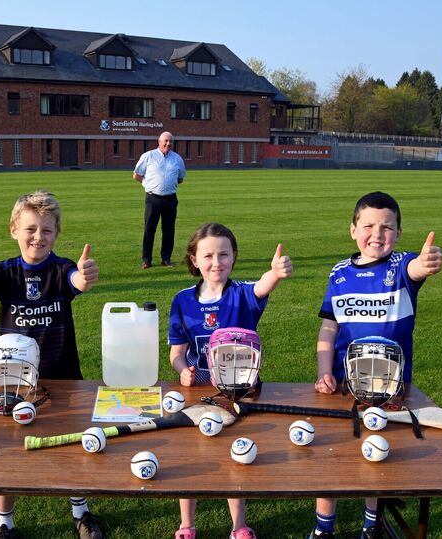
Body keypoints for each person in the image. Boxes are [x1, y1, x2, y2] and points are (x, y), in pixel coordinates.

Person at [0, 190, 102, 539]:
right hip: (12, 380)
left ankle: (81, 512)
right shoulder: (5, 272)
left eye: (47, 230)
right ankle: (4, 522)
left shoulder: (61, 268)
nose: (38, 237)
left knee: (70, 443)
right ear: (14, 229)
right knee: (8, 448)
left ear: (56, 234)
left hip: (62, 377)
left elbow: (77, 281)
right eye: (31, 229)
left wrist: (85, 276)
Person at [310, 191, 442, 539]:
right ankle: (324, 528)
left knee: (378, 452)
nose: (377, 234)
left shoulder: (402, 265)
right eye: (368, 226)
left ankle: (373, 522)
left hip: (390, 387)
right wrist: (324, 371)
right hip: (344, 384)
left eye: (387, 227)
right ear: (353, 230)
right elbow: (329, 328)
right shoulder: (339, 273)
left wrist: (426, 262)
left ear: (398, 233)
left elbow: (417, 268)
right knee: (332, 453)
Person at [168, 222, 293, 539]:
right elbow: (177, 352)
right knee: (192, 454)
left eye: (224, 254)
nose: (216, 262)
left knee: (236, 453)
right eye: (208, 255)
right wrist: (182, 369)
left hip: (241, 390)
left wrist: (275, 274)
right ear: (194, 260)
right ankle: (187, 525)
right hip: (200, 389)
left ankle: (238, 525)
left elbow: (261, 287)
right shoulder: (182, 300)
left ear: (234, 256)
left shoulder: (242, 295)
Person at [133, 131, 186, 269]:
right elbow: (136, 175)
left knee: (169, 230)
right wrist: (148, 184)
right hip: (153, 199)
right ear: (159, 141)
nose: (168, 143)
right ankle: (147, 260)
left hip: (170, 199)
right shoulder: (148, 156)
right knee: (149, 230)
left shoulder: (177, 159)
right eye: (165, 141)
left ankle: (166, 259)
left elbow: (180, 178)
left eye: (170, 141)